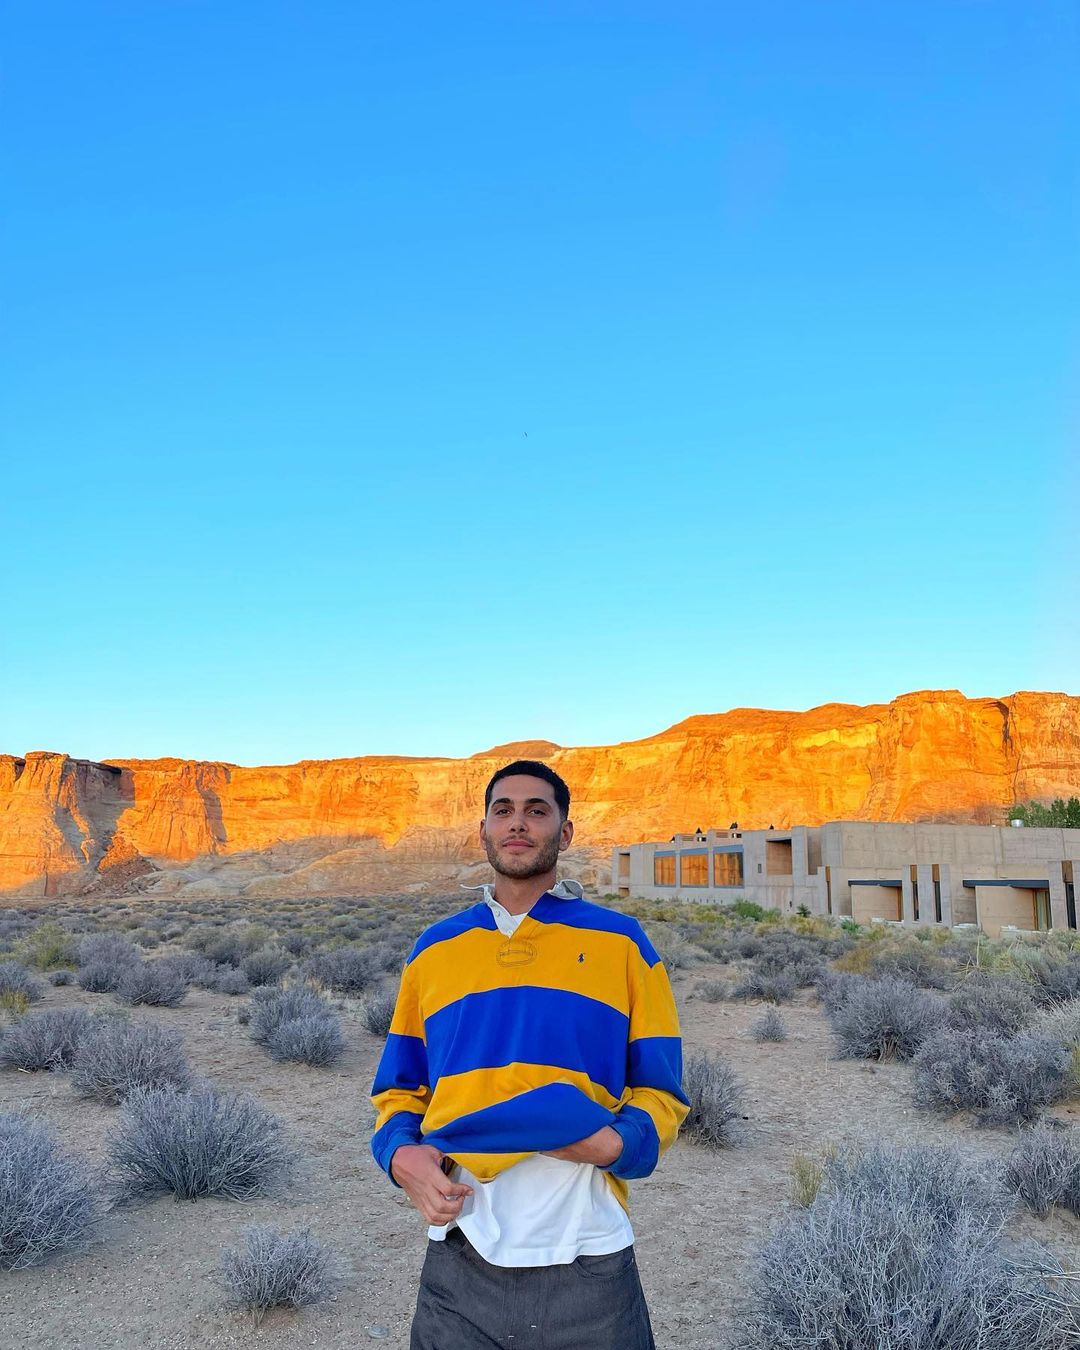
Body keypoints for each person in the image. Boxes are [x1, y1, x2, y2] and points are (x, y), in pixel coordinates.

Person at [370, 759, 689, 1350]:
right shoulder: (434, 950)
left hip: (589, 1254)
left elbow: (661, 1089)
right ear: (484, 831)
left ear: (564, 833)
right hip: (459, 1255)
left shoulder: (622, 943)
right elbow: (400, 1088)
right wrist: (398, 1155)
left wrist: (617, 1145)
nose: (518, 823)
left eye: (536, 811)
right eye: (504, 810)